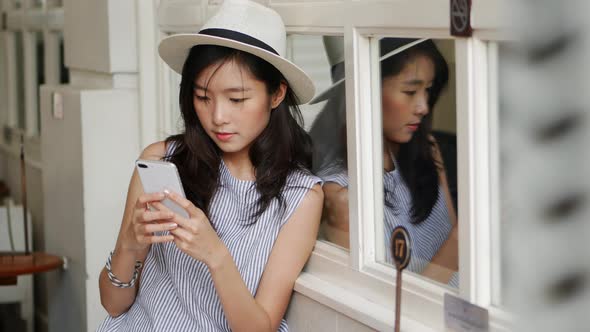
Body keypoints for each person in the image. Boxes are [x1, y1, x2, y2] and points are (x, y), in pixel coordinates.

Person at [97, 0, 323, 331]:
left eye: (237, 99)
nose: (217, 117)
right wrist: (129, 246)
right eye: (203, 97)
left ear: (276, 95)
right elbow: (113, 304)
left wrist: (216, 255)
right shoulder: (161, 160)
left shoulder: (300, 196)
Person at [310, 37, 458, 286]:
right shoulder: (341, 196)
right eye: (410, 91)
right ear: (362, 92)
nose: (423, 106)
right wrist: (467, 237)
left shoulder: (426, 150)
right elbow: (388, 309)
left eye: (428, 90)